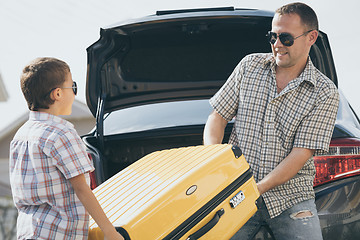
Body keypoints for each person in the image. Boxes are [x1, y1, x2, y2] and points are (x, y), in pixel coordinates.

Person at [203, 2, 339, 240]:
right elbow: (217, 117)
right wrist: (214, 165)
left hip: (292, 198)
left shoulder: (325, 93)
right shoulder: (249, 66)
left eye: (285, 38)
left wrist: (256, 189)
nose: (277, 45)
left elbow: (300, 155)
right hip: (236, 192)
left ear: (311, 37)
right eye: (272, 36)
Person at [9, 57, 124, 240]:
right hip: (57, 234)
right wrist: (109, 231)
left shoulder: (21, 136)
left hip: (29, 232)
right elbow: (82, 189)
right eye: (73, 87)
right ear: (58, 94)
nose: (74, 93)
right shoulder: (61, 133)